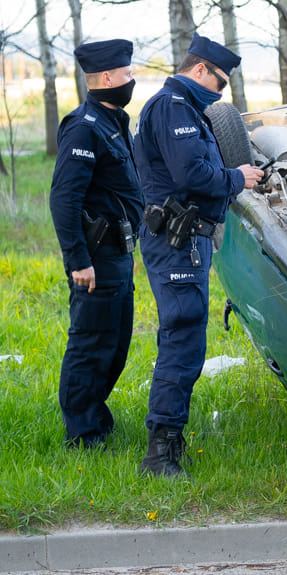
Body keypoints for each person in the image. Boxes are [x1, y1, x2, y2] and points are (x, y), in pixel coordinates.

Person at [134, 33, 263, 477]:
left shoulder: (187, 108)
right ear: (200, 70)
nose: (220, 93)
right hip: (175, 242)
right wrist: (237, 178)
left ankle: (170, 442)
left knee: (186, 341)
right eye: (220, 83)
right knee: (181, 340)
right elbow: (191, 174)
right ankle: (160, 455)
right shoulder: (173, 108)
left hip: (186, 242)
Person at [49, 39, 143, 449]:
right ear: (106, 78)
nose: (131, 80)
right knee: (91, 343)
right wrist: (78, 260)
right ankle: (82, 433)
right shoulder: (83, 126)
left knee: (116, 343)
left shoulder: (115, 122)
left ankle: (95, 416)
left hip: (119, 253)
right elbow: (64, 198)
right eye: (126, 74)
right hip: (96, 257)